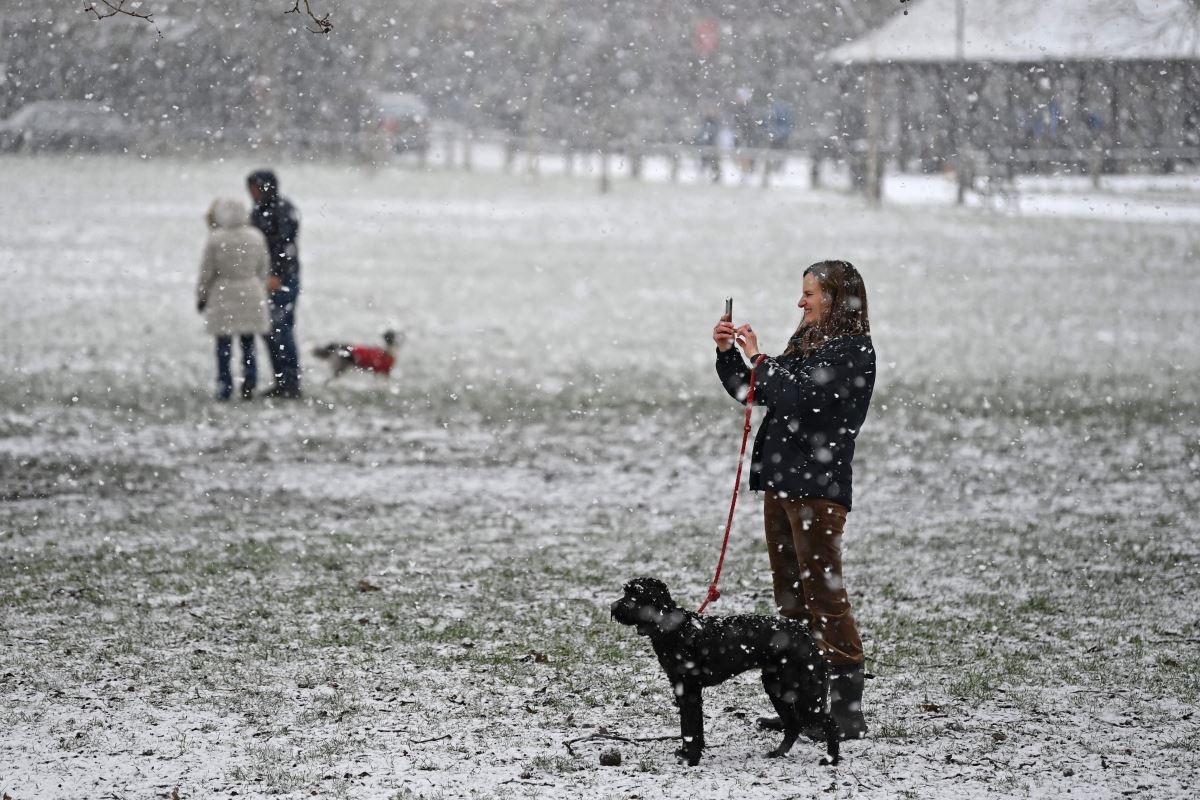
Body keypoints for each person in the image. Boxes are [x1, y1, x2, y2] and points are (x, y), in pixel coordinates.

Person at [711, 260, 876, 740]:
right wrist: (728, 354)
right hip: (781, 486)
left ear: (837, 298)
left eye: (809, 293)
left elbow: (805, 399)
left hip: (817, 492)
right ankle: (804, 707)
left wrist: (761, 358)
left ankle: (846, 712)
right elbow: (755, 391)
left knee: (824, 598)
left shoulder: (852, 350)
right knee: (792, 599)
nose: (800, 302)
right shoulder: (808, 344)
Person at [196, 198, 271, 401]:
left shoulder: (216, 239)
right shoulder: (257, 237)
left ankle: (225, 385)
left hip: (224, 294)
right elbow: (264, 268)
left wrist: (201, 296)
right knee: (248, 344)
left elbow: (207, 272)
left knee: (223, 346)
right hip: (251, 293)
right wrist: (260, 287)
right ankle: (250, 383)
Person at [247, 169, 303, 399]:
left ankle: (289, 380)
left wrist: (276, 274)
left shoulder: (280, 211)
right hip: (269, 277)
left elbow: (284, 245)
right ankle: (283, 380)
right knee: (272, 330)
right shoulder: (264, 210)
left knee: (280, 328)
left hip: (280, 279)